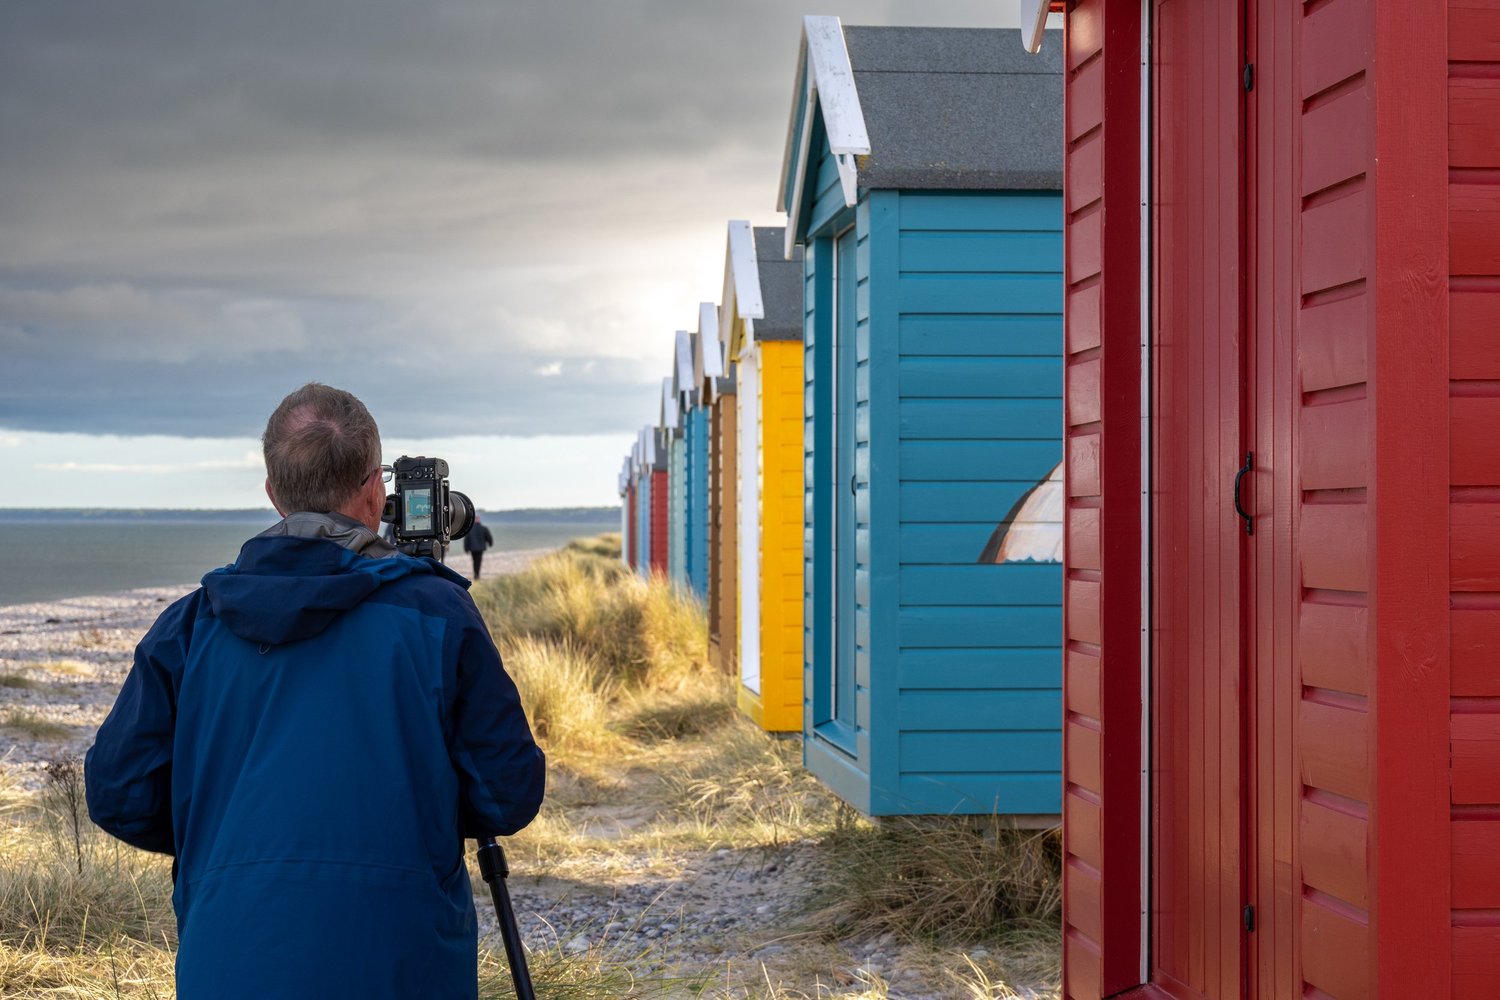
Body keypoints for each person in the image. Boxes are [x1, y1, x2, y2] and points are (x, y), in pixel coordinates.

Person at [84, 383, 545, 1000]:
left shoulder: (189, 627)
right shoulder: (435, 614)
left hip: (230, 961)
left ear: (272, 493)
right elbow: (508, 791)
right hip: (403, 963)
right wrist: (410, 818)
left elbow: (119, 794)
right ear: (374, 489)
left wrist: (237, 834)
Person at [463, 512, 495, 579]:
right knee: (478, 561)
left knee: (475, 561)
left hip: (473, 549)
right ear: (479, 520)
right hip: (480, 548)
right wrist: (490, 543)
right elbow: (489, 537)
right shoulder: (483, 528)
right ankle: (477, 574)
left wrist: (466, 549)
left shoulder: (470, 529)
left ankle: (476, 574)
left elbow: (466, 540)